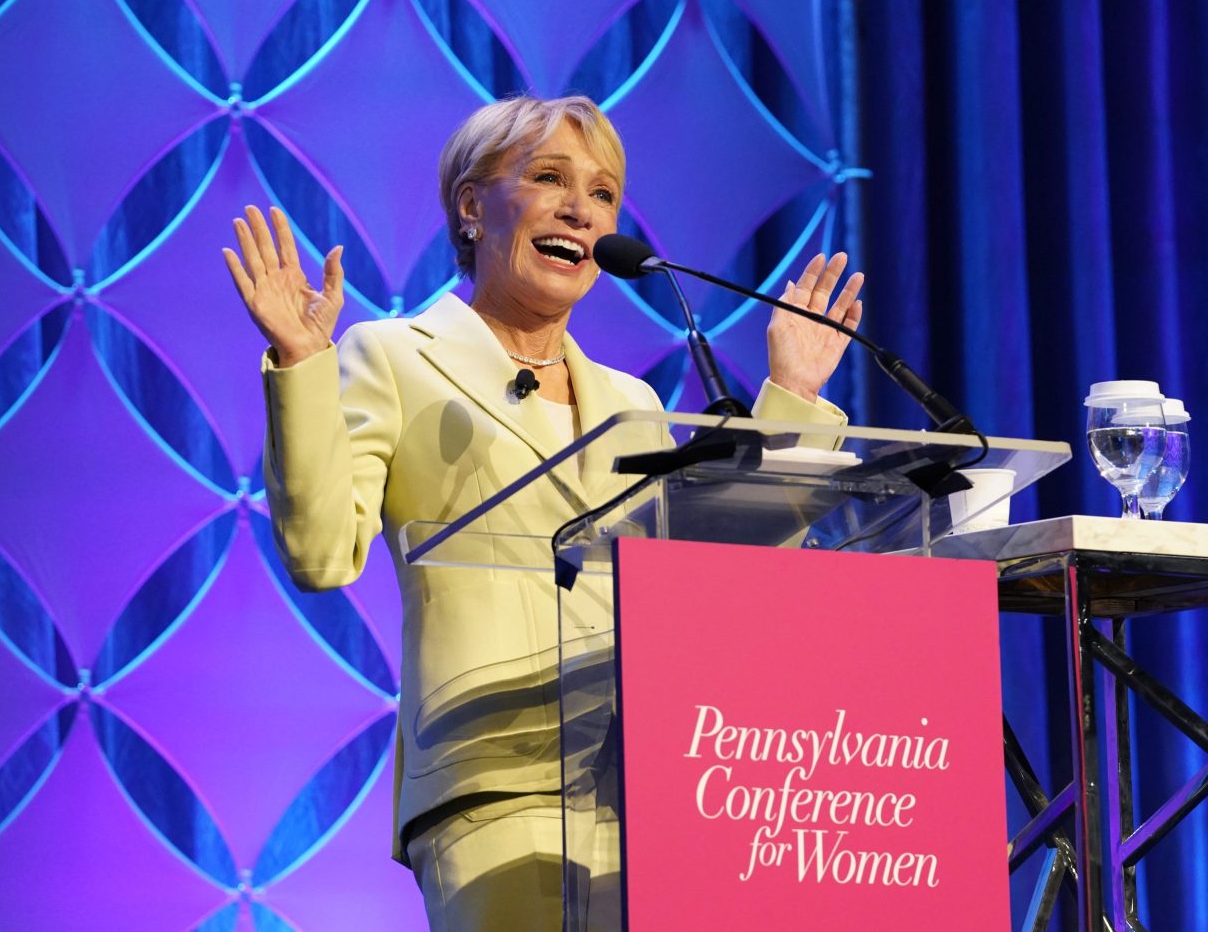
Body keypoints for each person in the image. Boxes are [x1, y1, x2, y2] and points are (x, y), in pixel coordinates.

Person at [223, 95, 863, 930]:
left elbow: (715, 585)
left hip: (652, 786)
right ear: (471, 204)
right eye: (549, 178)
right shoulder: (393, 356)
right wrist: (305, 361)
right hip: (492, 779)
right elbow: (320, 553)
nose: (580, 208)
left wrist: (793, 401)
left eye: (602, 194)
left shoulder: (630, 399)